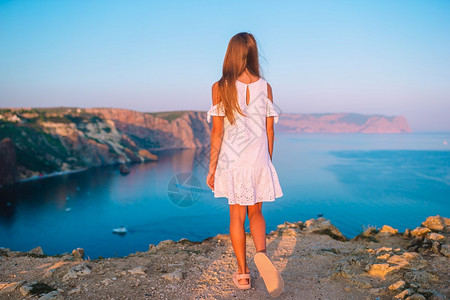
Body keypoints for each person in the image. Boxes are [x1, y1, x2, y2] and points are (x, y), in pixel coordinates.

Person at [206, 32, 284, 297]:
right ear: (253, 55)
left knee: (236, 217)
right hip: (259, 159)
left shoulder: (220, 87)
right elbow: (269, 130)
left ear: (231, 54)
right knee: (256, 212)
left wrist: (212, 168)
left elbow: (217, 132)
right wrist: (267, 161)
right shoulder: (266, 86)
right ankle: (262, 255)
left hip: (233, 161)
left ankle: (243, 274)